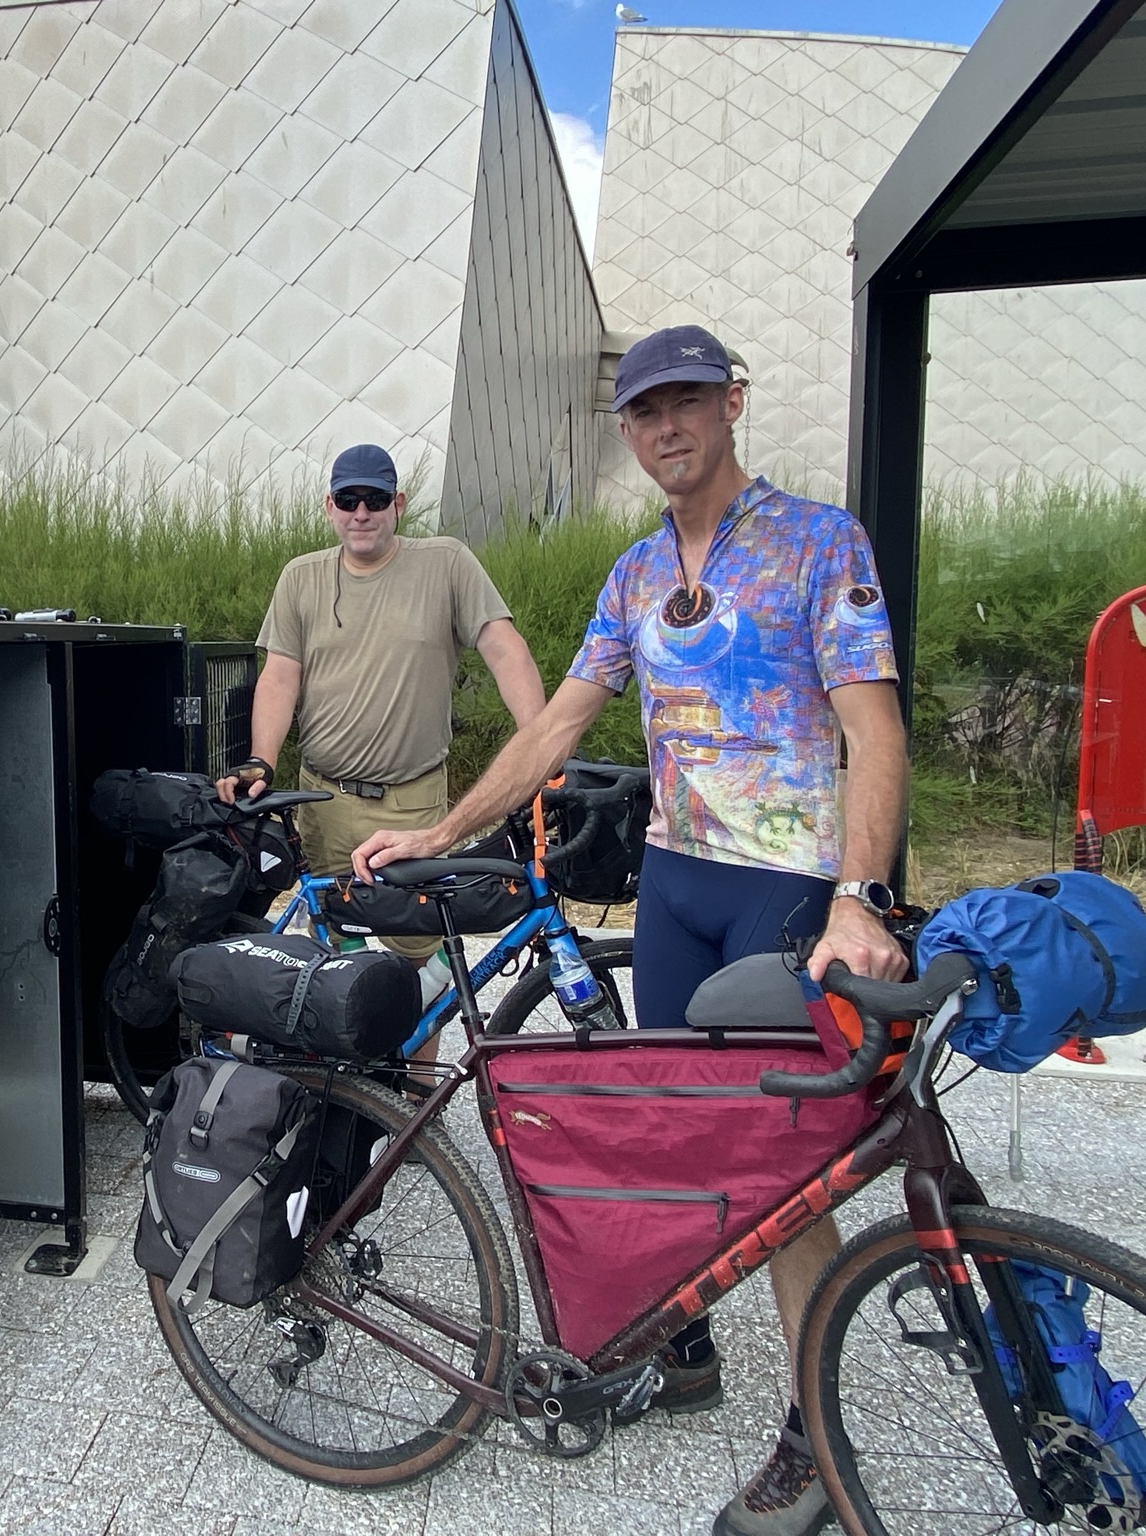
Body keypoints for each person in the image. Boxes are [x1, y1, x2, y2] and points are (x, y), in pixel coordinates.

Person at [352, 327, 908, 1536]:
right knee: (678, 1131)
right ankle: (685, 1352)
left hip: (786, 885)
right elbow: (553, 727)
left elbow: (873, 730)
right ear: (627, 431)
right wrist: (441, 829)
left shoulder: (819, 542)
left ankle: (812, 1444)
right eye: (643, 411)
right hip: (674, 884)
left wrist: (861, 899)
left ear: (731, 405)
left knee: (790, 1175)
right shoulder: (630, 573)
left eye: (686, 403)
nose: (665, 427)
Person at [216, 443, 546, 1007]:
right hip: (323, 802)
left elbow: (504, 647)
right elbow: (279, 676)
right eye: (349, 499)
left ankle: (415, 1092)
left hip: (411, 806)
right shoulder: (301, 578)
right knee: (332, 957)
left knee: (417, 965)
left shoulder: (446, 562)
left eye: (374, 499)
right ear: (330, 507)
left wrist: (541, 745)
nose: (361, 513)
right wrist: (261, 760)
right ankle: (348, 1091)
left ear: (399, 503)